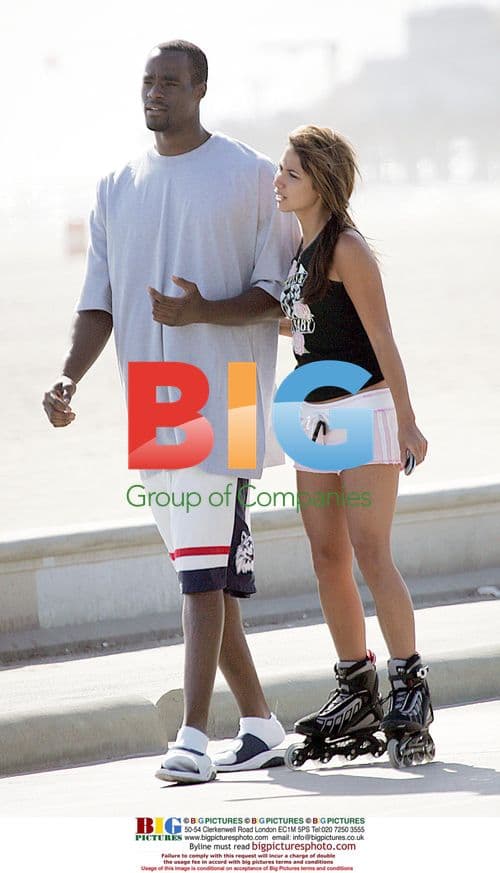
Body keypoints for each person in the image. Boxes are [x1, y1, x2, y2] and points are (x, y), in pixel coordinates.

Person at [42, 40, 299, 784]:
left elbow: (276, 293)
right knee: (201, 567)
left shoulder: (252, 177)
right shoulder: (115, 186)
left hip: (232, 398)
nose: (155, 93)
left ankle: (192, 735)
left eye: (170, 82)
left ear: (202, 89)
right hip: (155, 402)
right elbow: (98, 302)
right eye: (147, 82)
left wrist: (199, 313)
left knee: (199, 574)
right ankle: (259, 725)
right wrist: (68, 379)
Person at [273, 125, 433, 754]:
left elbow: (383, 338)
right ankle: (357, 688)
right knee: (325, 556)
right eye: (280, 171)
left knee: (370, 552)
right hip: (310, 418)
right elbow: (298, 323)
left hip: (364, 409)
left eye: (290, 174)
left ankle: (409, 680)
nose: (278, 182)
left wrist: (410, 421)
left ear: (321, 182)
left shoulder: (346, 248)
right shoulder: (299, 247)